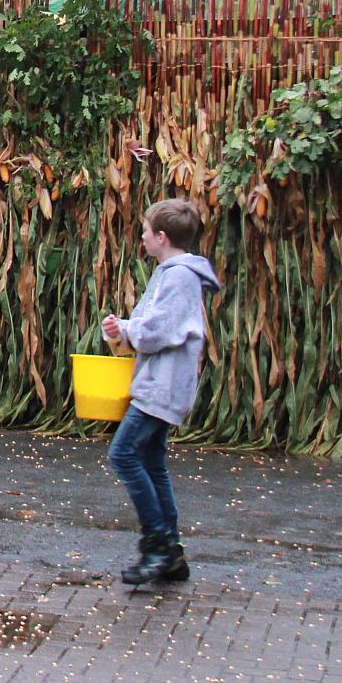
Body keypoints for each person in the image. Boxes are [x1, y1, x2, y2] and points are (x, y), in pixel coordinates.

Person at [102, 198, 221, 587]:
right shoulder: (172, 273)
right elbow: (151, 324)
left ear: (162, 237)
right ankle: (172, 553)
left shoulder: (179, 277)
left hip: (162, 386)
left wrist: (128, 330)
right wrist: (122, 329)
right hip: (161, 383)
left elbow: (158, 331)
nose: (142, 237)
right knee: (152, 462)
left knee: (122, 455)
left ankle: (158, 546)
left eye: (146, 232)